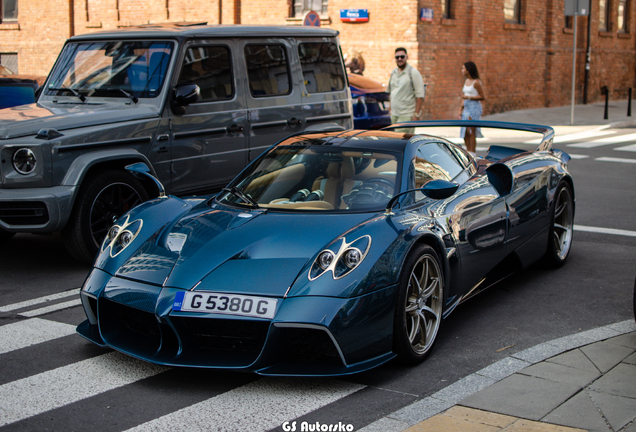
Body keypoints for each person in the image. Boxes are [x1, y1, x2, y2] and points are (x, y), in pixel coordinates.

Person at [387, 47, 426, 133]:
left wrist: (416, 114)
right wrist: (390, 110)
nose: (400, 59)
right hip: (394, 115)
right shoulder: (393, 73)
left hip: (407, 115)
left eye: (402, 57)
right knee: (396, 141)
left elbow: (420, 95)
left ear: (406, 57)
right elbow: (391, 92)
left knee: (400, 141)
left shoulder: (413, 73)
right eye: (397, 57)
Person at [457, 61, 486, 155]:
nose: (462, 70)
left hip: (474, 108)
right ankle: (468, 151)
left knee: (471, 130)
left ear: (468, 70)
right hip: (466, 107)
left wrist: (469, 97)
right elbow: (463, 96)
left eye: (463, 68)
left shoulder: (476, 82)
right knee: (464, 131)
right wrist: (460, 109)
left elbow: (482, 97)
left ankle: (472, 152)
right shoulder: (466, 81)